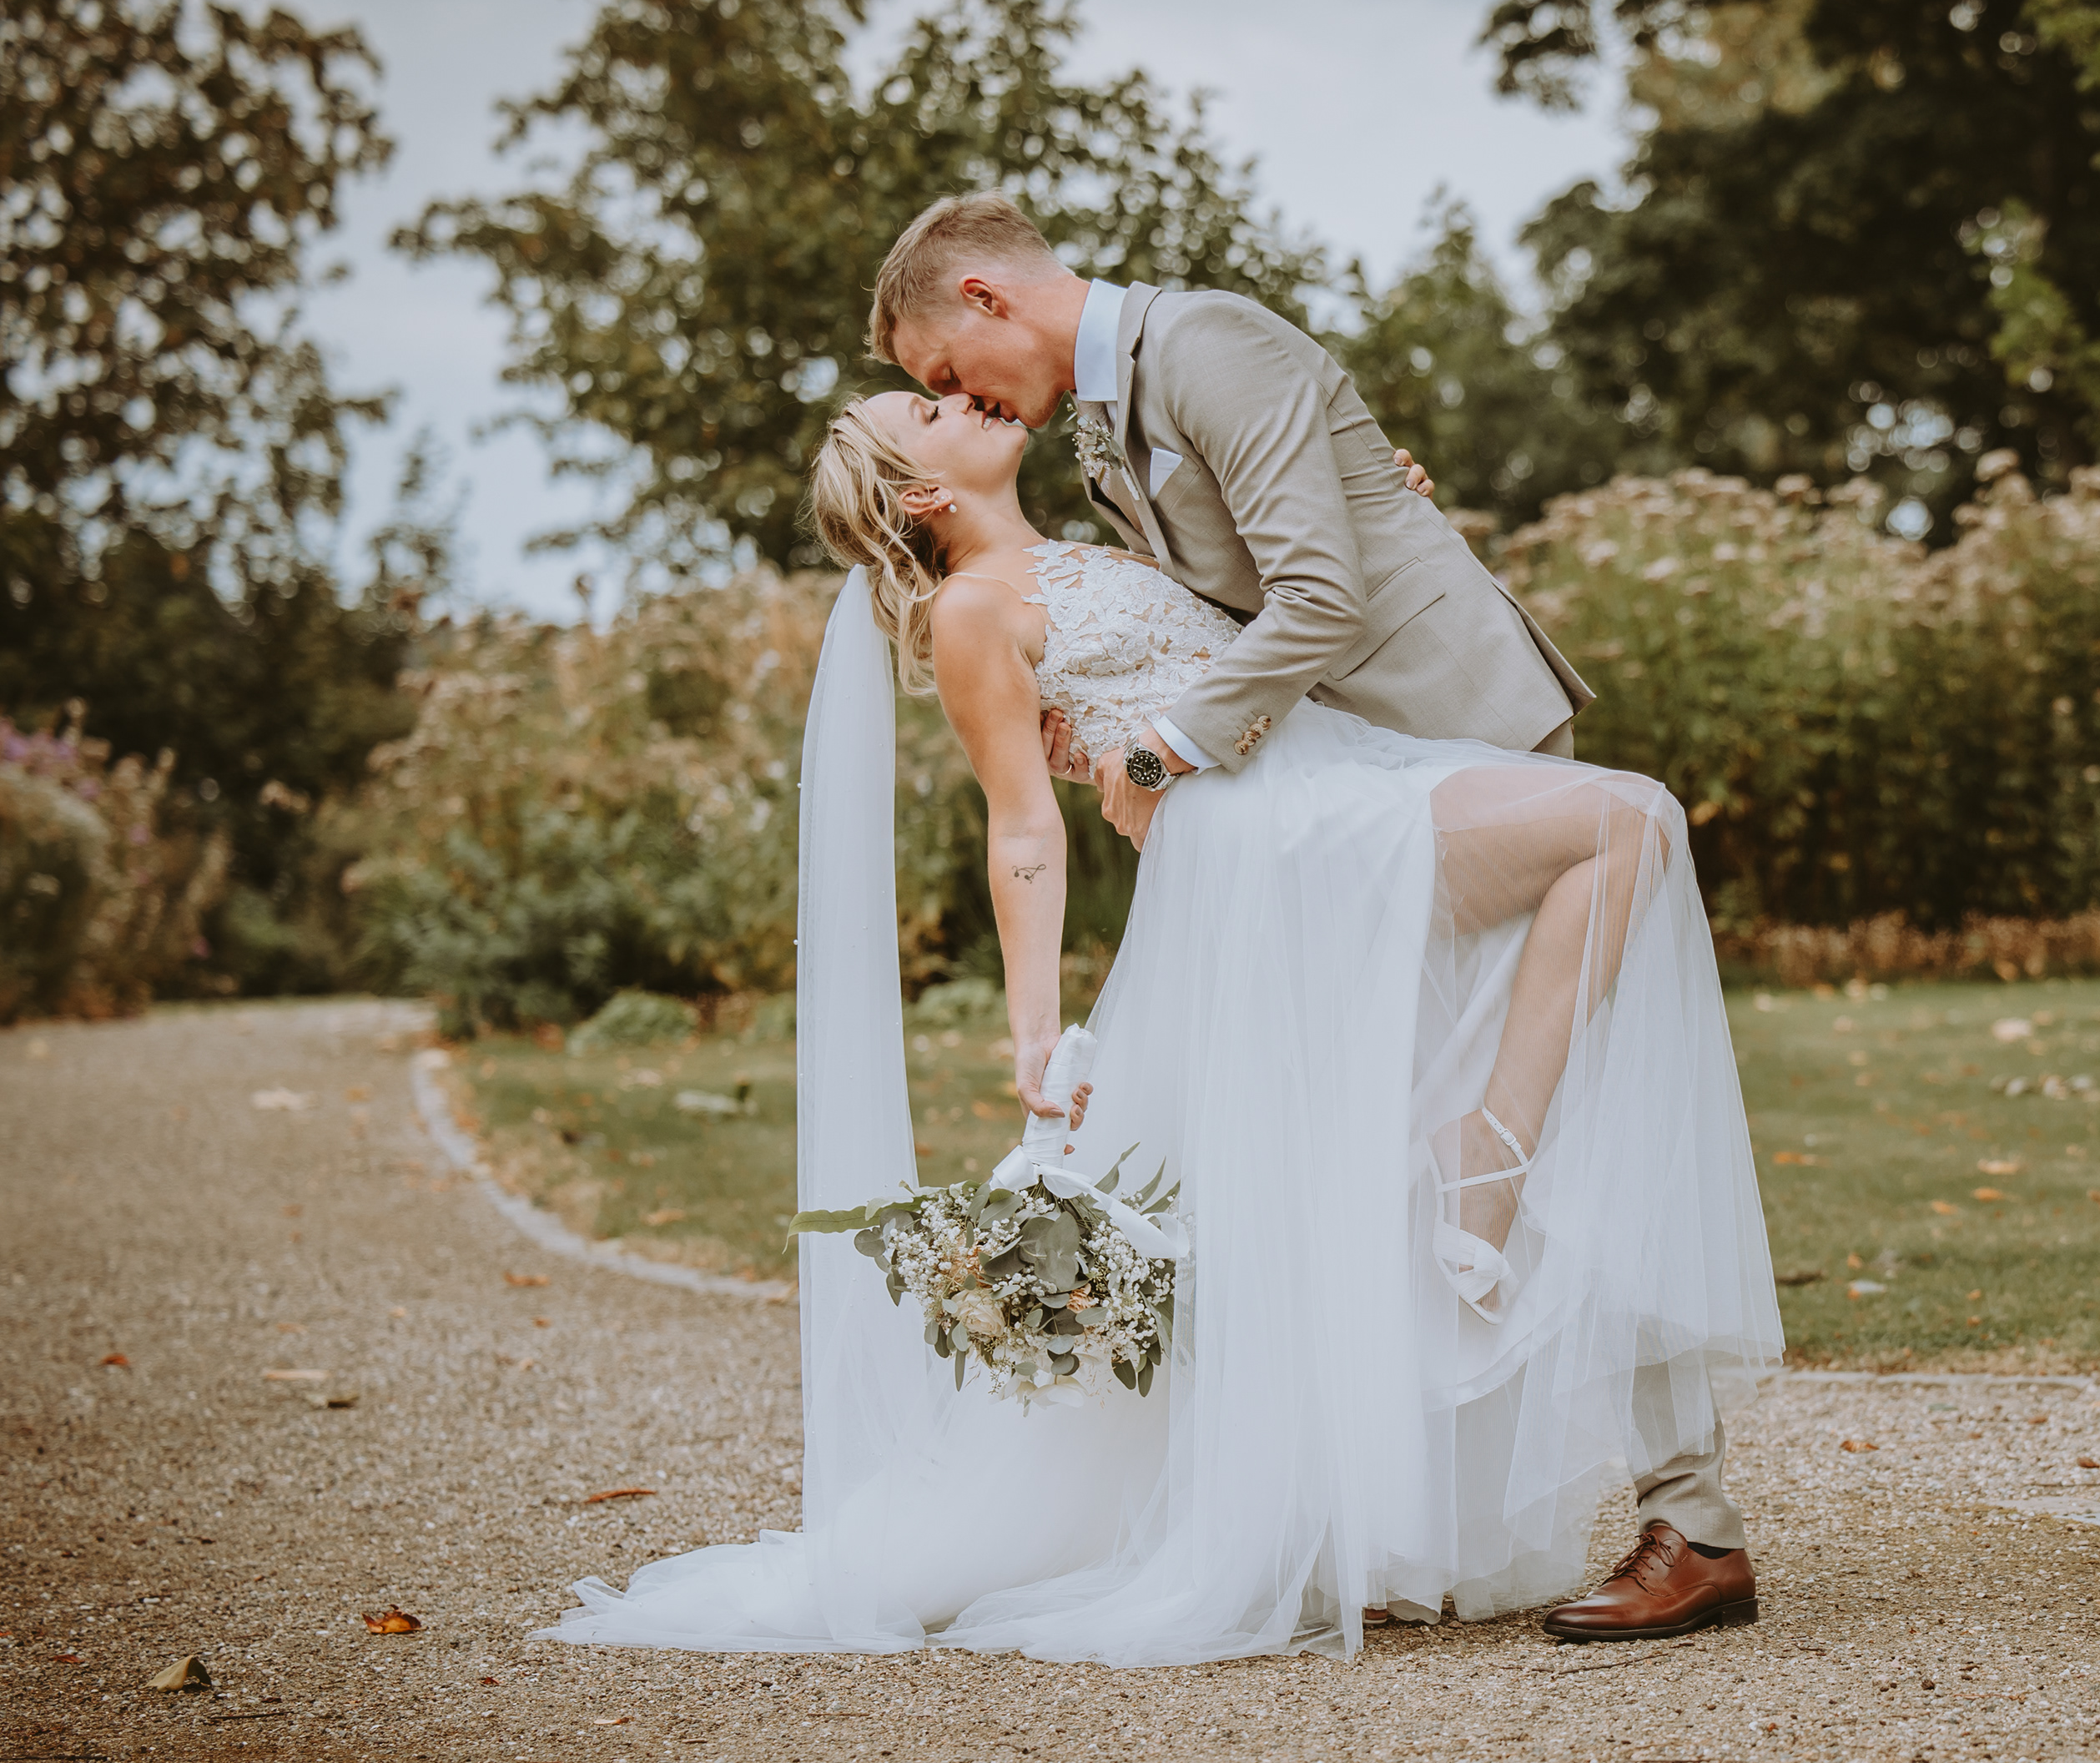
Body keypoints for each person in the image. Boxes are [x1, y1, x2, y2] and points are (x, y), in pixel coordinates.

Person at [534, 209, 1777, 1665]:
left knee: (1538, 1077)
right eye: (932, 404)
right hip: (1306, 820)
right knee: (1430, 1116)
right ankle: (1492, 1487)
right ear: (919, 497)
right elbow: (1030, 817)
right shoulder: (1032, 538)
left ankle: (1570, 1449)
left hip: (1402, 755)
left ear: (985, 296)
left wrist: (1340, 514)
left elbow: (1294, 585)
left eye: (944, 372)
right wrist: (1040, 1006)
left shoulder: (1195, 359)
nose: (962, 399)